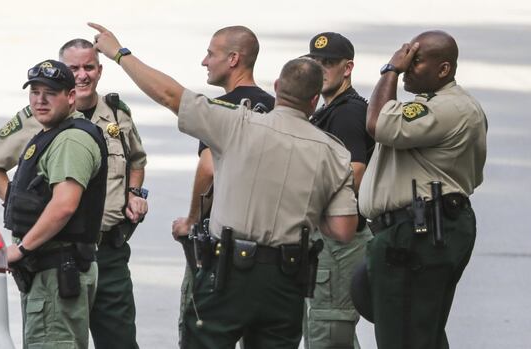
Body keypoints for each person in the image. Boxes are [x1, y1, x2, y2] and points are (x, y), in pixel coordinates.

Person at [89, 22, 358, 349]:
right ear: (314, 100)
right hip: (286, 280)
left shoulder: (237, 123)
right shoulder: (334, 153)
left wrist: (120, 54)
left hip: (229, 273)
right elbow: (343, 230)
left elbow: (169, 94)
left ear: (277, 86)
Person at [0, 39, 147, 349]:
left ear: (98, 71)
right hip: (58, 254)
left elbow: (68, 203)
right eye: (73, 68)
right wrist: (23, 206)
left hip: (99, 249)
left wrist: (135, 192)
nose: (82, 75)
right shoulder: (38, 120)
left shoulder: (106, 119)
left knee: (113, 340)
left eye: (88, 67)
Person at [356, 30, 487, 349]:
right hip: (417, 229)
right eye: (405, 59)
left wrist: (389, 70)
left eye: (415, 61)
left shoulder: (448, 108)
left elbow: (377, 124)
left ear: (443, 69)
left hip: (422, 232)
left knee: (405, 336)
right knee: (415, 330)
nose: (406, 67)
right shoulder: (435, 106)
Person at [170, 25, 275, 346]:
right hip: (268, 250)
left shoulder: (220, 111)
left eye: (211, 54)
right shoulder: (276, 110)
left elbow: (208, 168)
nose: (204, 61)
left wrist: (191, 221)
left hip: (219, 248)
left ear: (233, 59)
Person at [4, 59, 107, 348]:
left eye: (49, 92)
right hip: (50, 274)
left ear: (71, 96)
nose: (40, 99)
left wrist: (21, 248)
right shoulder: (54, 134)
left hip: (57, 276)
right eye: (35, 92)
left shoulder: (70, 140)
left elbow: (64, 205)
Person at [302, 32, 375, 349]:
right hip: (329, 239)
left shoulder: (347, 112)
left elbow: (353, 172)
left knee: (328, 332)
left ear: (348, 68)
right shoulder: (328, 110)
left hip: (339, 240)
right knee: (327, 330)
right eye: (315, 62)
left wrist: (306, 204)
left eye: (328, 63)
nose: (321, 69)